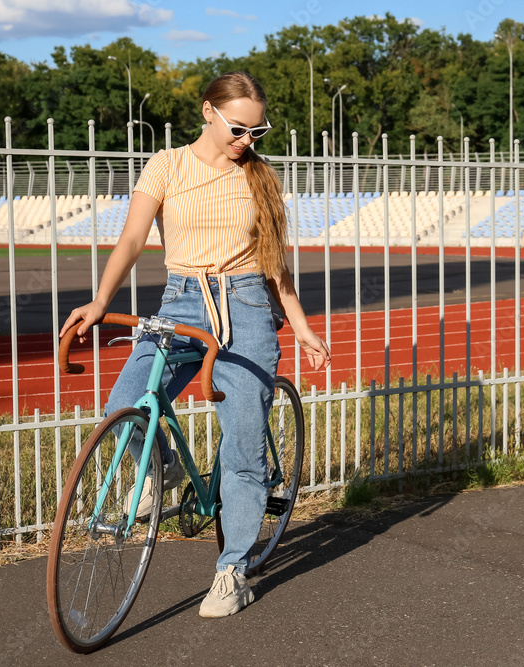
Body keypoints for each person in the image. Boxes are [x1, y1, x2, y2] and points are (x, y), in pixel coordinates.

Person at [59, 71, 330, 618]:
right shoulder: (167, 166)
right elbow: (133, 239)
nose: (247, 141)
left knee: (243, 446)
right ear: (208, 112)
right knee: (125, 406)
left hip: (249, 308)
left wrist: (300, 327)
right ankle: (165, 467)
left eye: (257, 131)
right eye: (238, 128)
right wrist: (98, 300)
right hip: (181, 302)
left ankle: (232, 569)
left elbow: (276, 269)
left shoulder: (260, 179)